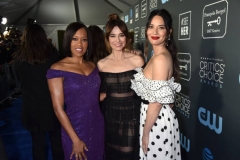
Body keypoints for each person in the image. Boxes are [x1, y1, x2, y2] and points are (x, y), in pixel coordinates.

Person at [46, 22, 104, 160]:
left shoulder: (92, 65)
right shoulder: (57, 68)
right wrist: (75, 139)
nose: (80, 44)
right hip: (74, 128)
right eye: (75, 39)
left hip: (97, 125)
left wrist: (115, 94)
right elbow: (57, 108)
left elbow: (92, 98)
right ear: (68, 40)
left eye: (84, 39)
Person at [130, 9, 181, 160]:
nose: (155, 31)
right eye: (151, 26)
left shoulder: (160, 59)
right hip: (155, 118)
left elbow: (157, 102)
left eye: (161, 27)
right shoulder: (158, 55)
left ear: (169, 32)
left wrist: (146, 133)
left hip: (156, 122)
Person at [13, 24, 64, 160]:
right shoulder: (53, 55)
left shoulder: (18, 59)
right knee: (57, 143)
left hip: (31, 109)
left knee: (38, 145)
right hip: (53, 107)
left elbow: (18, 80)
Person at [97, 16, 144, 160]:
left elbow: (145, 89)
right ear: (107, 38)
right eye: (113, 36)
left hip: (132, 115)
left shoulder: (137, 60)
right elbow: (100, 93)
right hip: (110, 116)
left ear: (127, 37)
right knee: (112, 154)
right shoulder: (101, 64)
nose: (117, 40)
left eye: (121, 35)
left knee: (129, 153)